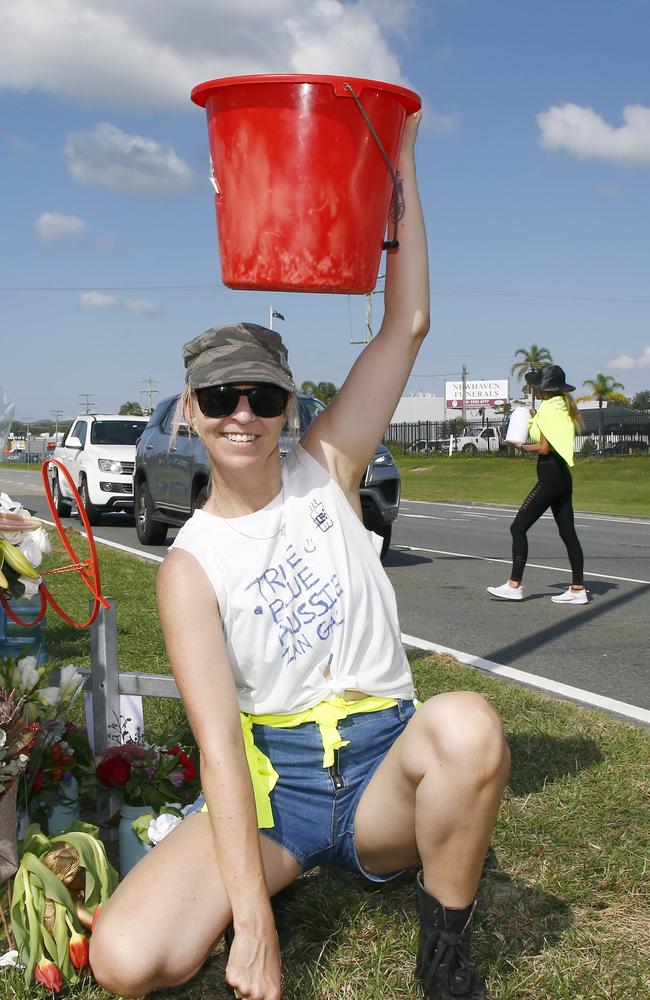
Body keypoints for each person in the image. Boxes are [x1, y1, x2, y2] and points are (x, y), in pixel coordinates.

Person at [90, 113, 510, 1000]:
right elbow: (216, 747)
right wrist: (253, 930)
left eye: (264, 396)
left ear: (289, 407)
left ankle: (444, 953)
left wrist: (397, 162)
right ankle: (275, 884)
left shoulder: (328, 467)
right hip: (275, 793)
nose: (243, 414)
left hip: (380, 773)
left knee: (467, 725)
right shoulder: (189, 565)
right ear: (190, 416)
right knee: (126, 961)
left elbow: (411, 318)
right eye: (220, 397)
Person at [487, 364, 587, 604]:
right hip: (562, 477)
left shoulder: (550, 410)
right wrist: (535, 419)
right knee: (568, 533)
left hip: (550, 477)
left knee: (518, 527)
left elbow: (543, 447)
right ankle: (578, 589)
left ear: (544, 389)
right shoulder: (562, 406)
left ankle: (514, 585)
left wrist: (520, 446)